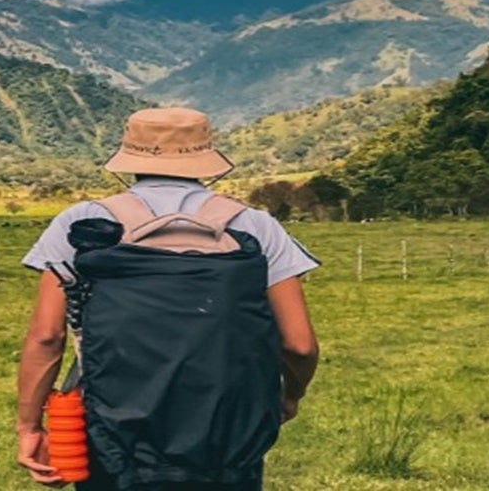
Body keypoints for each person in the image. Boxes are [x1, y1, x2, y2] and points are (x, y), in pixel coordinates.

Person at [16, 107, 320, 489]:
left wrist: (29, 426)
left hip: (108, 427)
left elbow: (47, 336)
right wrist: (289, 397)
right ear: (205, 158)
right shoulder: (255, 226)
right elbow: (299, 345)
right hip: (228, 429)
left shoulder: (82, 223)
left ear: (129, 157)